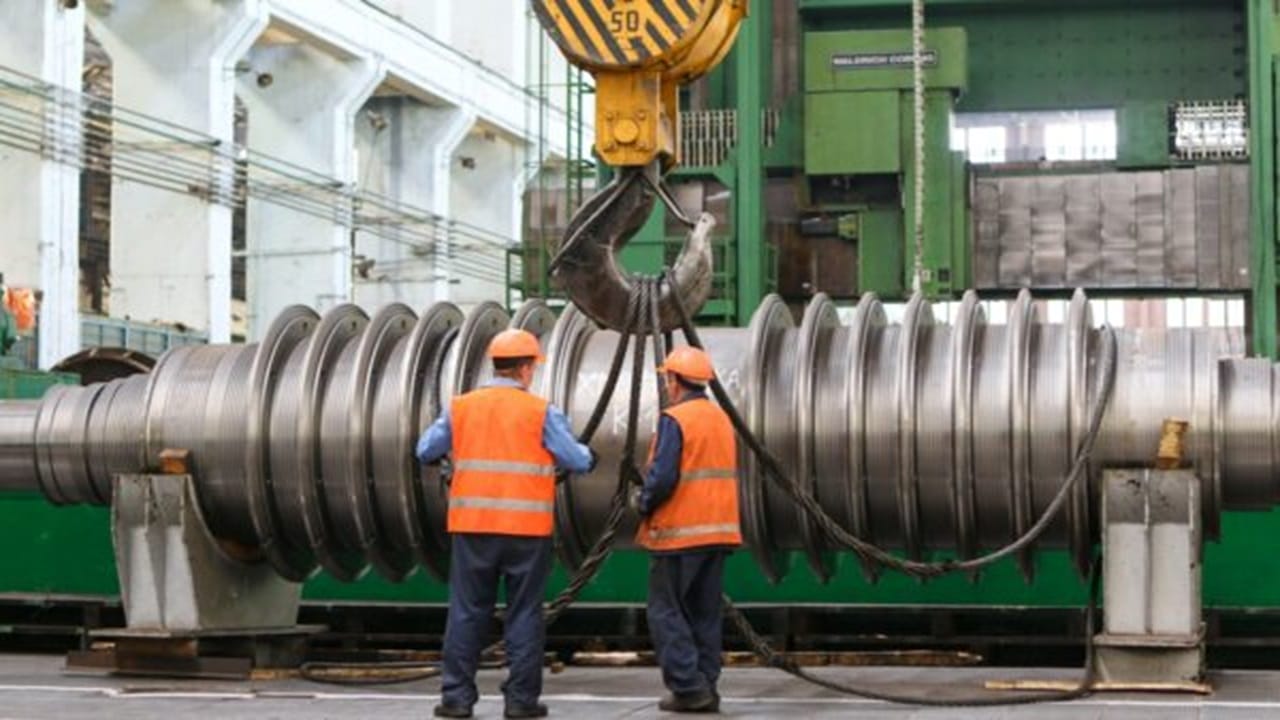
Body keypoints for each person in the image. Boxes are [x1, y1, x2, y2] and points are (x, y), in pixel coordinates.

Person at [417, 328, 596, 720]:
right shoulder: (541, 411)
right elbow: (576, 461)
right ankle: (520, 702)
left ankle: (457, 700)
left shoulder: (461, 407)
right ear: (526, 369)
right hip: (526, 532)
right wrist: (590, 454)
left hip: (473, 527)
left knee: (467, 612)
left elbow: (425, 449)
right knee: (524, 614)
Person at [631, 346, 742, 714]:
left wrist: (642, 501)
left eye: (668, 378)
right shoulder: (720, 418)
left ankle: (688, 688)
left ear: (674, 380)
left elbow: (663, 477)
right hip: (719, 532)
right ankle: (706, 685)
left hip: (680, 533)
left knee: (666, 610)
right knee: (704, 612)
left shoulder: (676, 418)